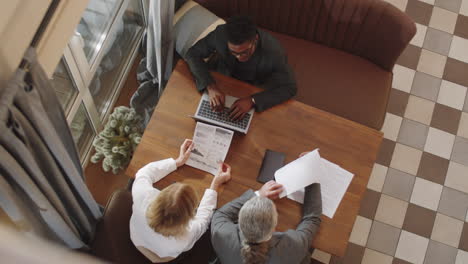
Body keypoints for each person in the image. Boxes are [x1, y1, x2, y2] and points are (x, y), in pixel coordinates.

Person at [130, 139, 231, 263]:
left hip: (137, 239)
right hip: (164, 257)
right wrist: (215, 184)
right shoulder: (187, 235)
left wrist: (177, 162)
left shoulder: (142, 196)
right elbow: (203, 220)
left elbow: (143, 173)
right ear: (189, 215)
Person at [186, 15, 297, 120]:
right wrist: (210, 86)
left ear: (255, 39)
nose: (239, 57)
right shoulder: (220, 34)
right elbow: (192, 54)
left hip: (253, 87)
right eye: (234, 52)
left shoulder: (274, 52)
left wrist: (253, 100)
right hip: (221, 81)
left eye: (245, 52)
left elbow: (290, 87)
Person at [211, 174, 322, 263]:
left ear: (239, 221)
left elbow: (220, 214)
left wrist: (259, 194)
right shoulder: (292, 247)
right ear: (274, 228)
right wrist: (312, 175)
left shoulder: (220, 233)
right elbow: (312, 219)